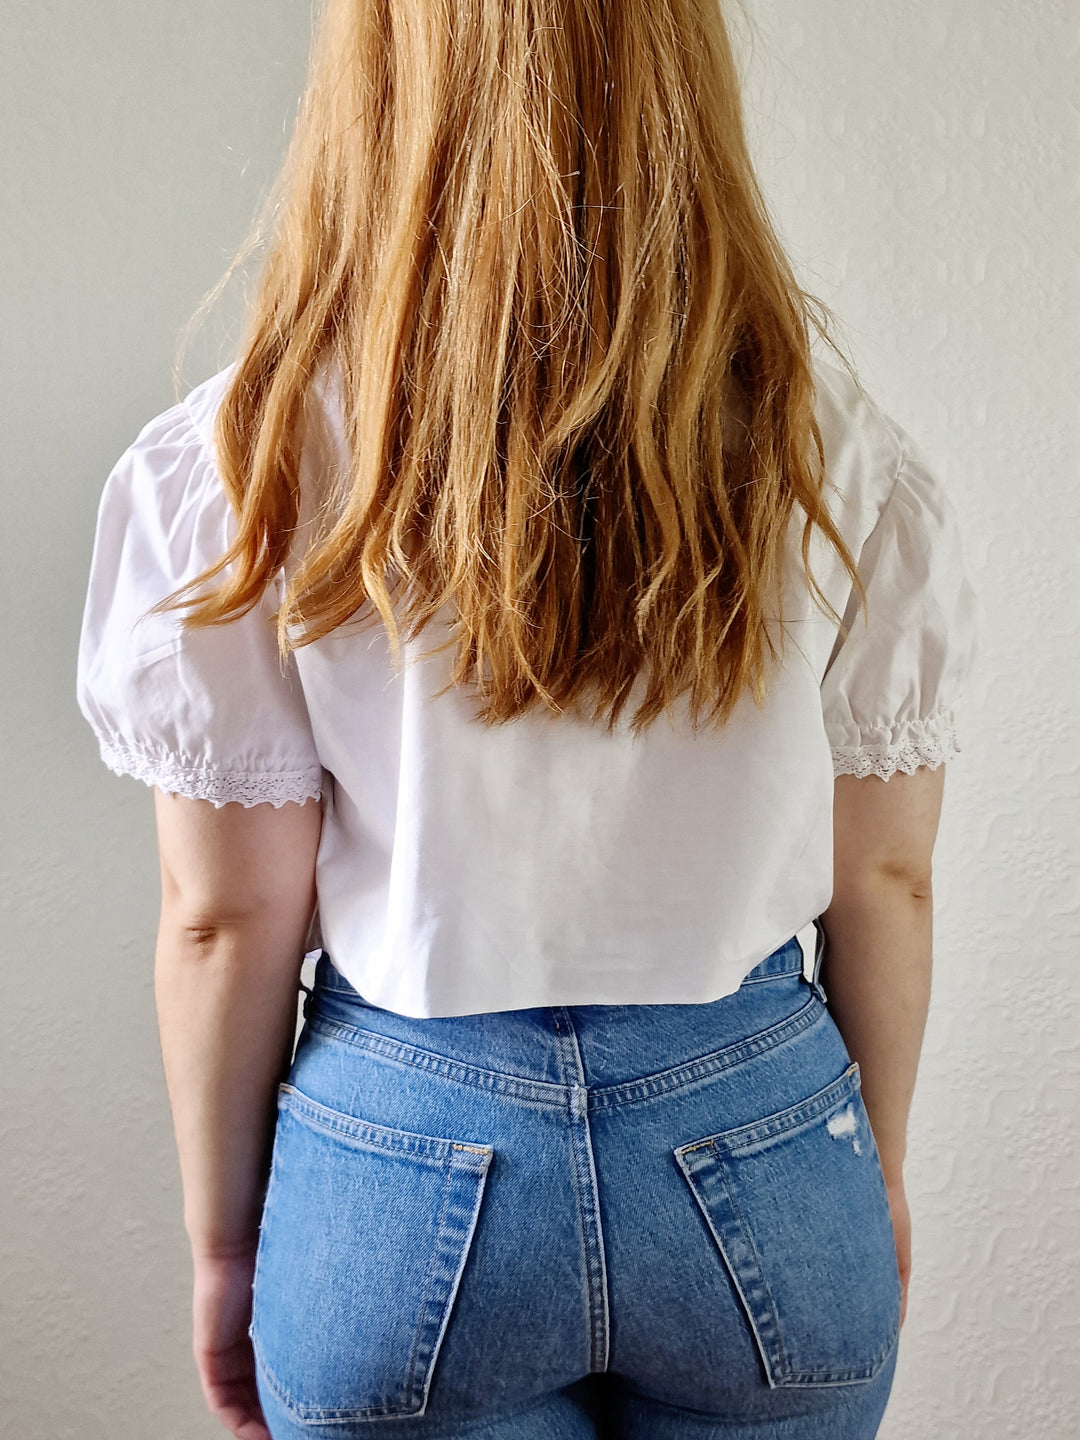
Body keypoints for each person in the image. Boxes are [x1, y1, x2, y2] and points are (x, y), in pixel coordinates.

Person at [75, 3, 980, 1438]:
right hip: (757, 1126)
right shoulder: (821, 449)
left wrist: (224, 1252)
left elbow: (226, 920)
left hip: (401, 1145)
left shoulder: (243, 462)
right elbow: (886, 876)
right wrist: (870, 1169)